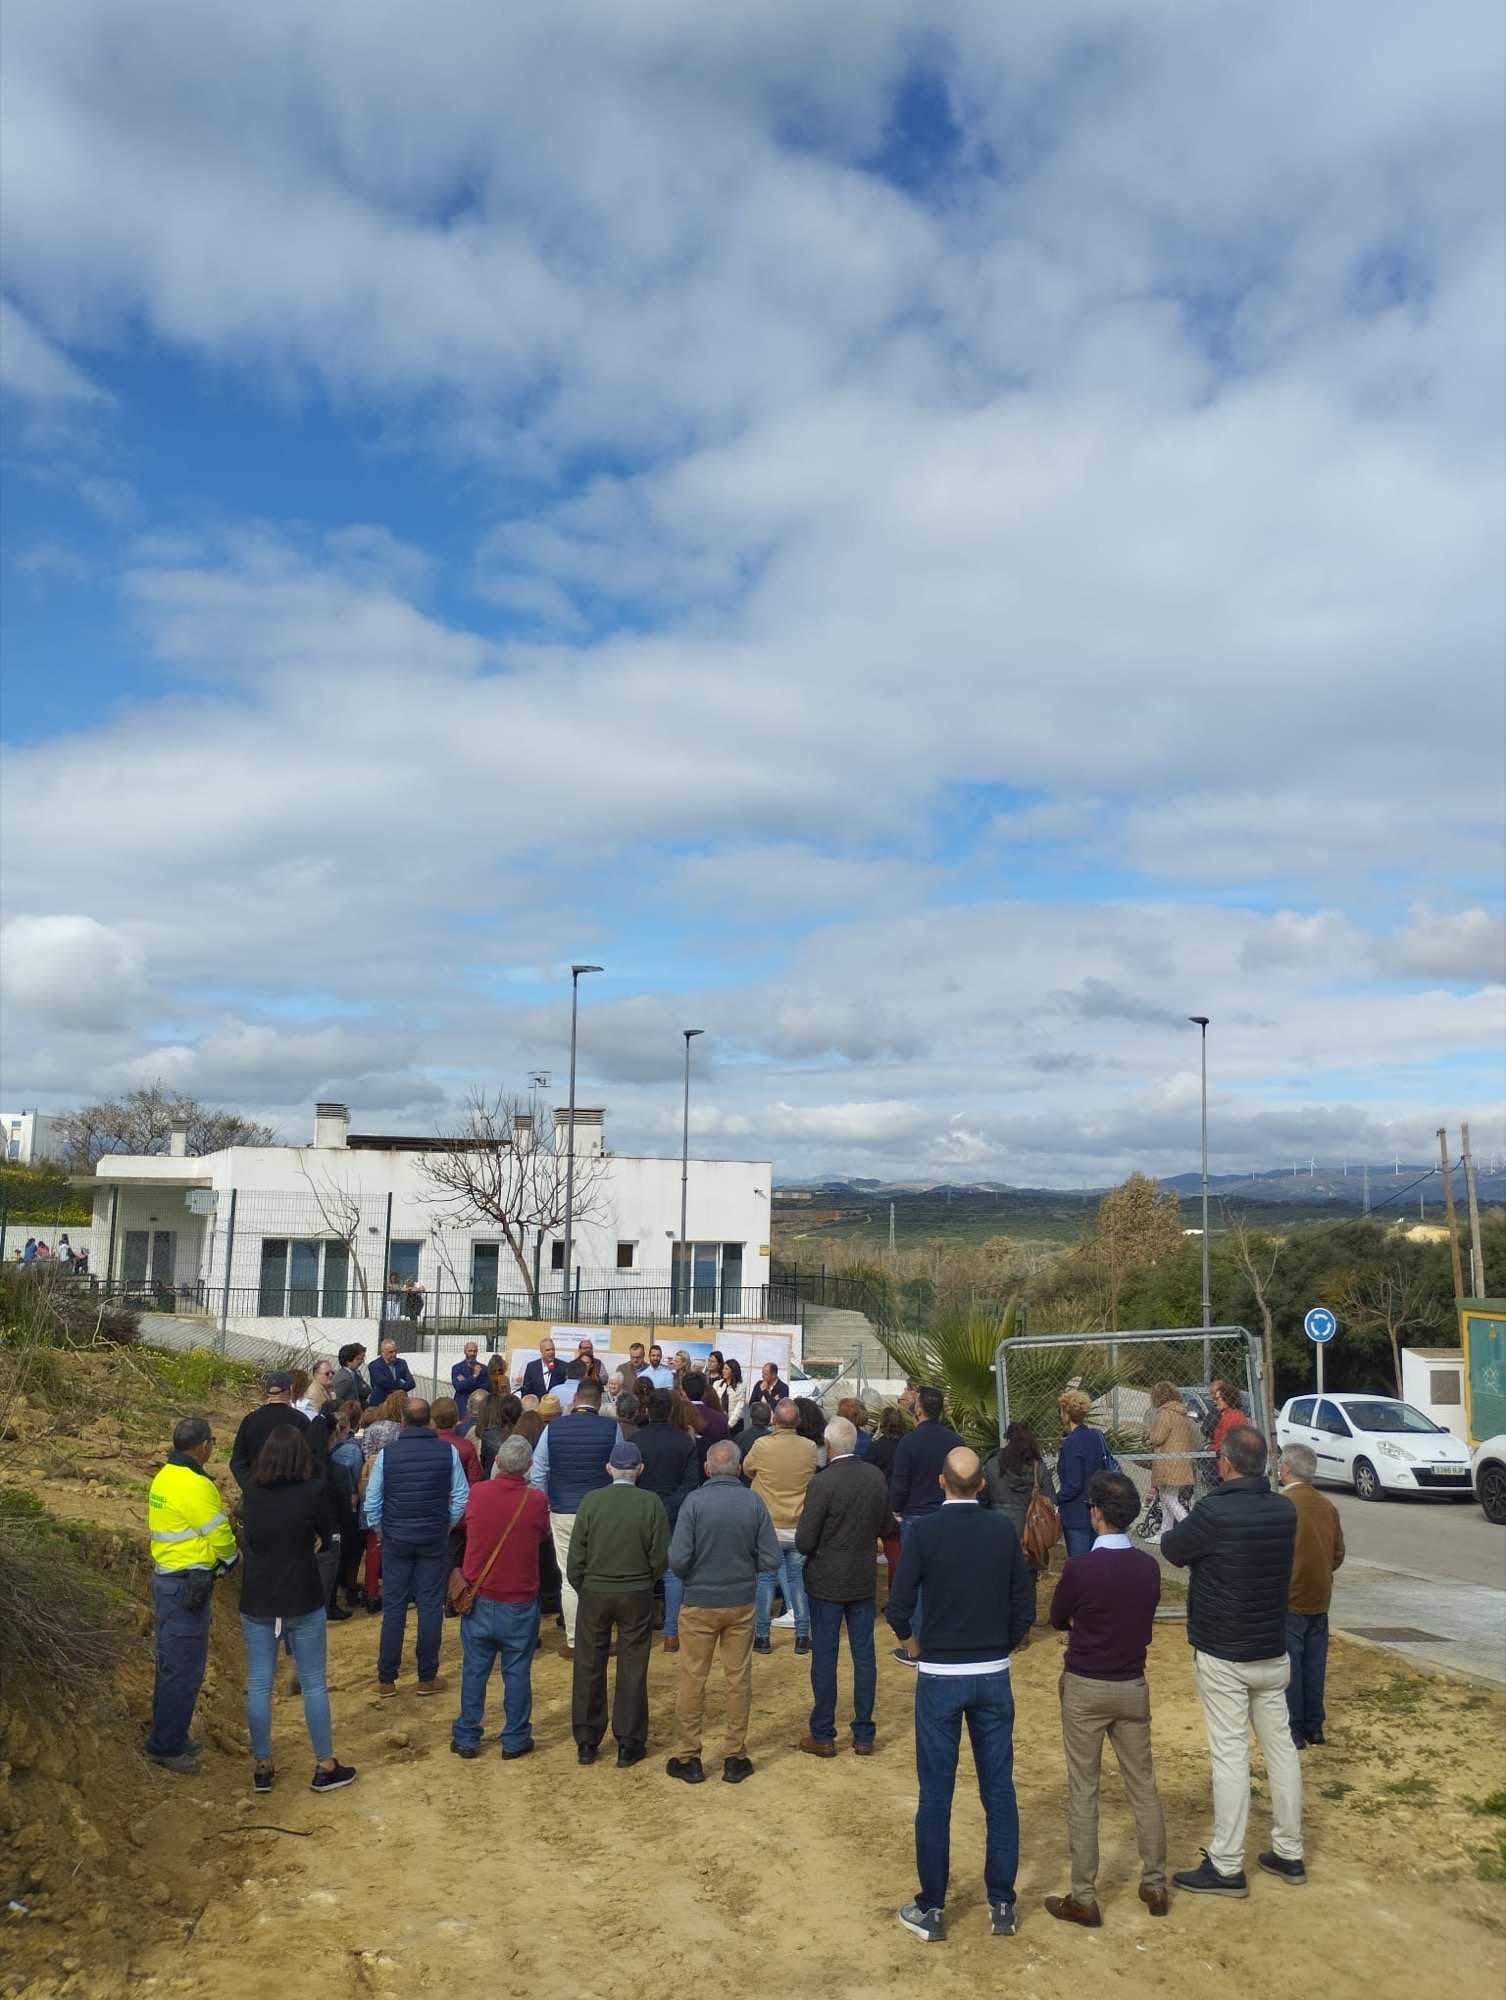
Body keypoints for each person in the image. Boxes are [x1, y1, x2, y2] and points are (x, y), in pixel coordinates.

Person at [886, 1447, 1035, 1943]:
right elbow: (1024, 1603)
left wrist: (914, 1647)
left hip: (941, 1675)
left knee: (936, 1795)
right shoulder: (1001, 1531)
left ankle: (931, 1907)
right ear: (982, 1485)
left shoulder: (924, 1532)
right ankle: (1002, 1903)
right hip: (992, 1674)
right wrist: (1002, 1644)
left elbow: (898, 1607)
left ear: (941, 1482)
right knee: (999, 1790)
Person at [1162, 1424, 1305, 1896]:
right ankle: (1289, 1851)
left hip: (1224, 1650)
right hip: (1271, 1648)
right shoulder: (1284, 1509)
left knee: (1230, 1755)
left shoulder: (1215, 1511)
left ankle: (1226, 1865)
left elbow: (1173, 1548)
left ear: (1224, 1463)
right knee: (1281, 1750)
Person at [1044, 1470, 1169, 1926]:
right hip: (1131, 1684)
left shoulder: (1081, 1569)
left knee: (1085, 1791)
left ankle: (1084, 1895)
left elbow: (1057, 1617)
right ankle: (1155, 1883)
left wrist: (1080, 1622)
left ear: (1095, 1512)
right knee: (1143, 1786)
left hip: (1085, 1686)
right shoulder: (1148, 1567)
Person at [238, 1424, 357, 1795]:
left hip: (258, 1596)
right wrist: (312, 1539)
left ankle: (262, 1766)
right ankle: (324, 1765)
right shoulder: (312, 1491)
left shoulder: (251, 1493)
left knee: (259, 1682)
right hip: (302, 1595)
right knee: (314, 1681)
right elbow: (326, 1540)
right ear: (301, 1456)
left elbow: (251, 1540)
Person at [666, 1438, 782, 1785]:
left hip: (699, 1602)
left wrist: (696, 1574)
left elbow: (678, 1560)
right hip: (740, 1601)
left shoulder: (694, 1502)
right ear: (738, 1468)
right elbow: (772, 1557)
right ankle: (735, 1756)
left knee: (693, 1678)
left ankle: (689, 1757)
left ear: (707, 1469)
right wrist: (746, 1567)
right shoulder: (753, 1502)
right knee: (738, 1679)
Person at [143, 1416, 240, 1773]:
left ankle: (171, 1736)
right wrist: (231, 1558)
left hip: (170, 1581)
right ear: (203, 1446)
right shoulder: (196, 1485)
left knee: (172, 1667)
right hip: (187, 1586)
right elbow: (219, 1535)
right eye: (212, 1442)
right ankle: (167, 1746)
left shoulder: (165, 1476)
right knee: (182, 1670)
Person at [450, 1435, 553, 1761]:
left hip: (479, 1598)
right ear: (529, 1467)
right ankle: (515, 1738)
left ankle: (467, 1736)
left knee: (474, 1670)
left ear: (496, 1462)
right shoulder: (536, 1500)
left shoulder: (479, 1493)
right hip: (518, 1601)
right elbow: (543, 1534)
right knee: (517, 1670)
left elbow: (466, 1523)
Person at [566, 1442, 670, 1767]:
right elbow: (660, 1556)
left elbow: (576, 1556)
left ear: (609, 1468)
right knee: (633, 1664)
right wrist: (645, 1579)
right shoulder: (651, 1503)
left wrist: (584, 1586)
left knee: (588, 1663)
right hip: (636, 1591)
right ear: (640, 1470)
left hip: (595, 1591)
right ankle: (629, 1742)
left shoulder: (591, 1501)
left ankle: (587, 1740)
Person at [795, 1415, 892, 1758]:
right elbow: (885, 1525)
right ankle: (863, 1734)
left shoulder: (822, 1482)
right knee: (864, 1655)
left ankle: (823, 1733)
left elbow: (805, 1540)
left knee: (825, 1655)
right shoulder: (875, 1476)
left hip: (826, 1580)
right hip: (862, 1577)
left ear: (827, 1445)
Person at [365, 1398, 470, 1697]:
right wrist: (446, 1525)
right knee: (430, 1606)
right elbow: (461, 1496)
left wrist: (381, 1531)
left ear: (403, 1421)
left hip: (396, 1538)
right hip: (432, 1538)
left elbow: (372, 1501)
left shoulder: (388, 1454)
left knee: (394, 1608)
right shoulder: (448, 1451)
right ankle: (427, 1676)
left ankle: (386, 1679)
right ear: (429, 1421)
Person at [526, 1378, 619, 1656]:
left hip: (563, 1509)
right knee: (599, 1574)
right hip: (601, 1510)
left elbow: (538, 1472)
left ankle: (574, 1640)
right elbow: (620, 1469)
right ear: (599, 1402)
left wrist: (547, 1503)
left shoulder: (553, 1429)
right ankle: (599, 1637)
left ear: (575, 1399)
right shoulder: (611, 1428)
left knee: (569, 1577)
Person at [887, 1386, 965, 1661]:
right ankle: (948, 1637)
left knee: (916, 1580)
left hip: (916, 1517)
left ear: (918, 1411)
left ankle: (917, 1647)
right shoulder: (955, 1441)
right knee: (949, 1577)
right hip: (949, 1513)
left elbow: (899, 1484)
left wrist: (896, 1509)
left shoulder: (908, 1443)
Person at [1278, 1443, 1345, 1749]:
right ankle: (1314, 1725)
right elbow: (1338, 1553)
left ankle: (1293, 1728)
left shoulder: (1284, 1505)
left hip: (1290, 1596)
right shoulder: (1326, 1506)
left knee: (1291, 1665)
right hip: (1320, 1595)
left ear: (1286, 1470)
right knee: (1315, 1663)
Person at [744, 1399, 819, 1656]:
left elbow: (748, 1468)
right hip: (798, 1524)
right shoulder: (809, 1447)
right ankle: (802, 1636)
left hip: (769, 1524)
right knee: (797, 1578)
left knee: (765, 1578)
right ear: (798, 1421)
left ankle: (762, 1637)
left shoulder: (762, 1445)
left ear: (774, 1420)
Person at [635, 1387, 702, 1652]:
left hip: (643, 1511)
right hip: (674, 1512)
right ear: (672, 1410)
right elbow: (691, 1482)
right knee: (673, 1574)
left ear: (648, 1410)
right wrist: (670, 1506)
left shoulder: (636, 1441)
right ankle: (671, 1634)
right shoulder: (685, 1441)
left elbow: (631, 1478)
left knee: (643, 1572)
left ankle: (640, 1631)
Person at [984, 1424, 1056, 1612]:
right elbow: (1051, 1500)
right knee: (1028, 1583)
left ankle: (1002, 1620)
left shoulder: (992, 1466)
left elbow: (982, 1499)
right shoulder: (1038, 1469)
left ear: (1007, 1440)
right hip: (1031, 1535)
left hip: (998, 1532)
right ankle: (1025, 1624)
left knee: (999, 1581)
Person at [230, 1371, 325, 1491]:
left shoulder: (250, 1420)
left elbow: (237, 1461)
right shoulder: (300, 1419)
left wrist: (249, 1487)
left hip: (257, 1489)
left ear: (267, 1392)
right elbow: (312, 1455)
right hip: (290, 1491)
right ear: (290, 1390)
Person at [1055, 1391, 1111, 1559]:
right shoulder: (1096, 1436)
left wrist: (1055, 1498)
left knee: (1079, 1564)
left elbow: (1073, 1484)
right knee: (1096, 1562)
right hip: (1098, 1510)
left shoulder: (1071, 1443)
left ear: (1065, 1414)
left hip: (1076, 1514)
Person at [1145, 1383, 1201, 1535]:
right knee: (1167, 1497)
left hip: (1167, 1461)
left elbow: (1158, 1437)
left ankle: (1190, 1528)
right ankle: (1165, 1531)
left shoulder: (1165, 1413)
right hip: (1179, 1460)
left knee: (1169, 1498)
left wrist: (1149, 1434)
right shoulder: (1181, 1413)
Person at [367, 1339, 416, 1408]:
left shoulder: (402, 1363)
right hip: (380, 1403)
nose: (394, 1354)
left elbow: (411, 1383)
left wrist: (395, 1389)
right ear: (382, 1352)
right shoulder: (375, 1365)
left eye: (395, 1351)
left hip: (399, 1403)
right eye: (391, 1352)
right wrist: (400, 1383)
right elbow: (382, 1382)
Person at [451, 1341, 489, 1410]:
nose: (472, 1354)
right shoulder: (457, 1368)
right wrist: (474, 1376)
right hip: (462, 1406)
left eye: (474, 1351)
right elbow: (458, 1386)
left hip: (479, 1406)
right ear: (465, 1351)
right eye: (470, 1351)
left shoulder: (483, 1368)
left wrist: (466, 1382)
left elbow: (487, 1387)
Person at [722, 1357, 747, 1431]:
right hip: (721, 1422)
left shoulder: (741, 1387)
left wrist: (729, 1425)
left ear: (733, 1371)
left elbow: (739, 1408)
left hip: (735, 1424)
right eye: (723, 1368)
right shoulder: (717, 1384)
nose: (723, 1371)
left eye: (726, 1369)